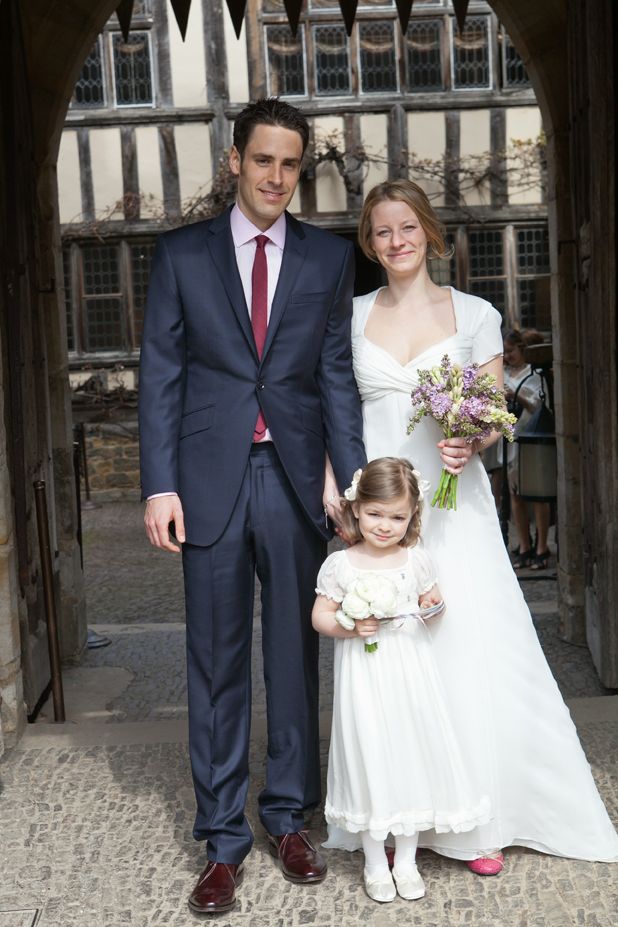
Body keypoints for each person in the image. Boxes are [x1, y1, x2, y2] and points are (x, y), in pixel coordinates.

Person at [344, 178, 618, 872]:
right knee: (391, 655)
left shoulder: (474, 314)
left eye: (407, 227)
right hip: (378, 512)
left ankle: (481, 815)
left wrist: (473, 439)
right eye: (381, 231)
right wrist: (342, 499)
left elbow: (494, 408)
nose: (396, 241)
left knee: (465, 643)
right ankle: (405, 811)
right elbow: (333, 412)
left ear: (429, 231)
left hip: (452, 506)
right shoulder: (348, 317)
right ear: (369, 243)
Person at [139, 98, 366, 914]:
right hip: (206, 482)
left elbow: (333, 372)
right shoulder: (181, 256)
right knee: (215, 660)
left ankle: (288, 817)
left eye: (290, 164)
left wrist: (349, 473)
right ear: (235, 160)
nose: (277, 177)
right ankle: (223, 840)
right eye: (263, 160)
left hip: (299, 477)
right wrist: (158, 484)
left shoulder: (326, 258)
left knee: (295, 657)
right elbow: (162, 371)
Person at [312, 458, 491, 903]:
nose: (385, 525)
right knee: (368, 753)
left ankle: (406, 860)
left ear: (412, 516)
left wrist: (434, 606)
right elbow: (319, 616)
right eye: (375, 514)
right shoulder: (341, 565)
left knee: (410, 753)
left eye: (397, 516)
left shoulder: (416, 561)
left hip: (409, 676)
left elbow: (434, 610)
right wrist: (349, 626)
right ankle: (375, 862)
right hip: (364, 682)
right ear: (356, 509)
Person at [502, 328, 551, 570]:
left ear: (522, 349)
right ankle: (524, 544)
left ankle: (542, 546)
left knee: (538, 494)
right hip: (510, 440)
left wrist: (517, 396)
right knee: (515, 494)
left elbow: (539, 407)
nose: (507, 356)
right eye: (504, 352)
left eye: (511, 351)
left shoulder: (534, 374)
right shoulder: (499, 374)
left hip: (532, 439)